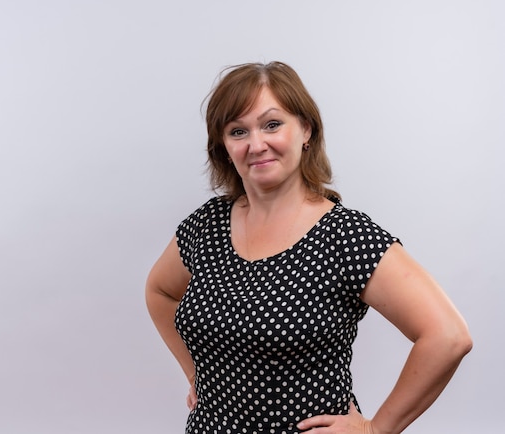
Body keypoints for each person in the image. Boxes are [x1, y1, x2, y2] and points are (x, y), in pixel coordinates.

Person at [145, 61, 472, 433]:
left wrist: (374, 429)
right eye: (238, 131)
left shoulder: (345, 237)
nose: (256, 144)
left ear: (305, 130)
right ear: (224, 147)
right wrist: (196, 374)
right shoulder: (207, 225)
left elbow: (448, 336)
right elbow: (159, 291)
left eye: (272, 124)